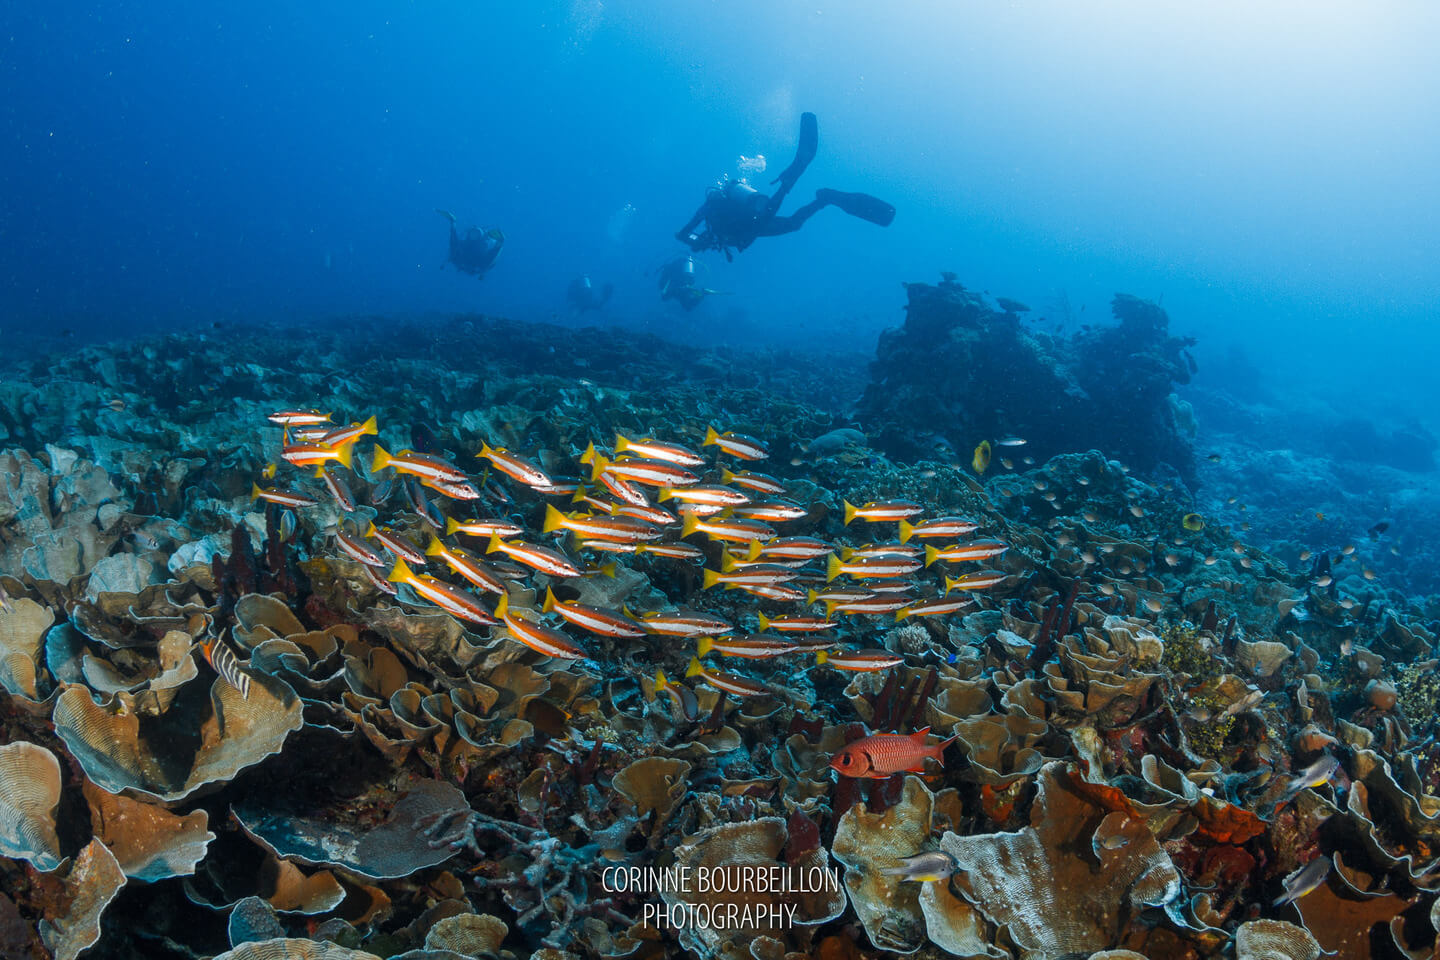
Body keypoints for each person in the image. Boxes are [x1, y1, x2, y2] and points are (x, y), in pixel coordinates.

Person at [674, 113, 895, 260]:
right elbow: (683, 235)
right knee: (789, 216)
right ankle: (823, 196)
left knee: (786, 215)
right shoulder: (714, 210)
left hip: (753, 226)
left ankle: (812, 189)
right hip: (755, 224)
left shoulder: (707, 210)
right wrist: (702, 240)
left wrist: (698, 241)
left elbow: (682, 235)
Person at [436, 209, 504, 278]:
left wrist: (499, 244)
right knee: (454, 247)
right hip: (459, 262)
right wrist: (453, 223)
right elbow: (453, 242)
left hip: (473, 267)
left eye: (476, 234)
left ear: (480, 237)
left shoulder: (482, 249)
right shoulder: (463, 244)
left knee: (486, 261)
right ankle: (453, 221)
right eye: (472, 233)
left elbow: (489, 258)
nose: (473, 236)